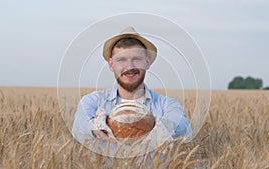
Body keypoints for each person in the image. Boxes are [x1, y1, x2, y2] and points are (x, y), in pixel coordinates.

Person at [72, 26, 192, 156]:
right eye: (122, 60)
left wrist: (148, 123)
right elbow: (79, 127)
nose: (130, 67)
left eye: (136, 59)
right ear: (111, 65)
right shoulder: (93, 101)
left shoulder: (167, 104)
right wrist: (95, 126)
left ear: (147, 62)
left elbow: (184, 129)